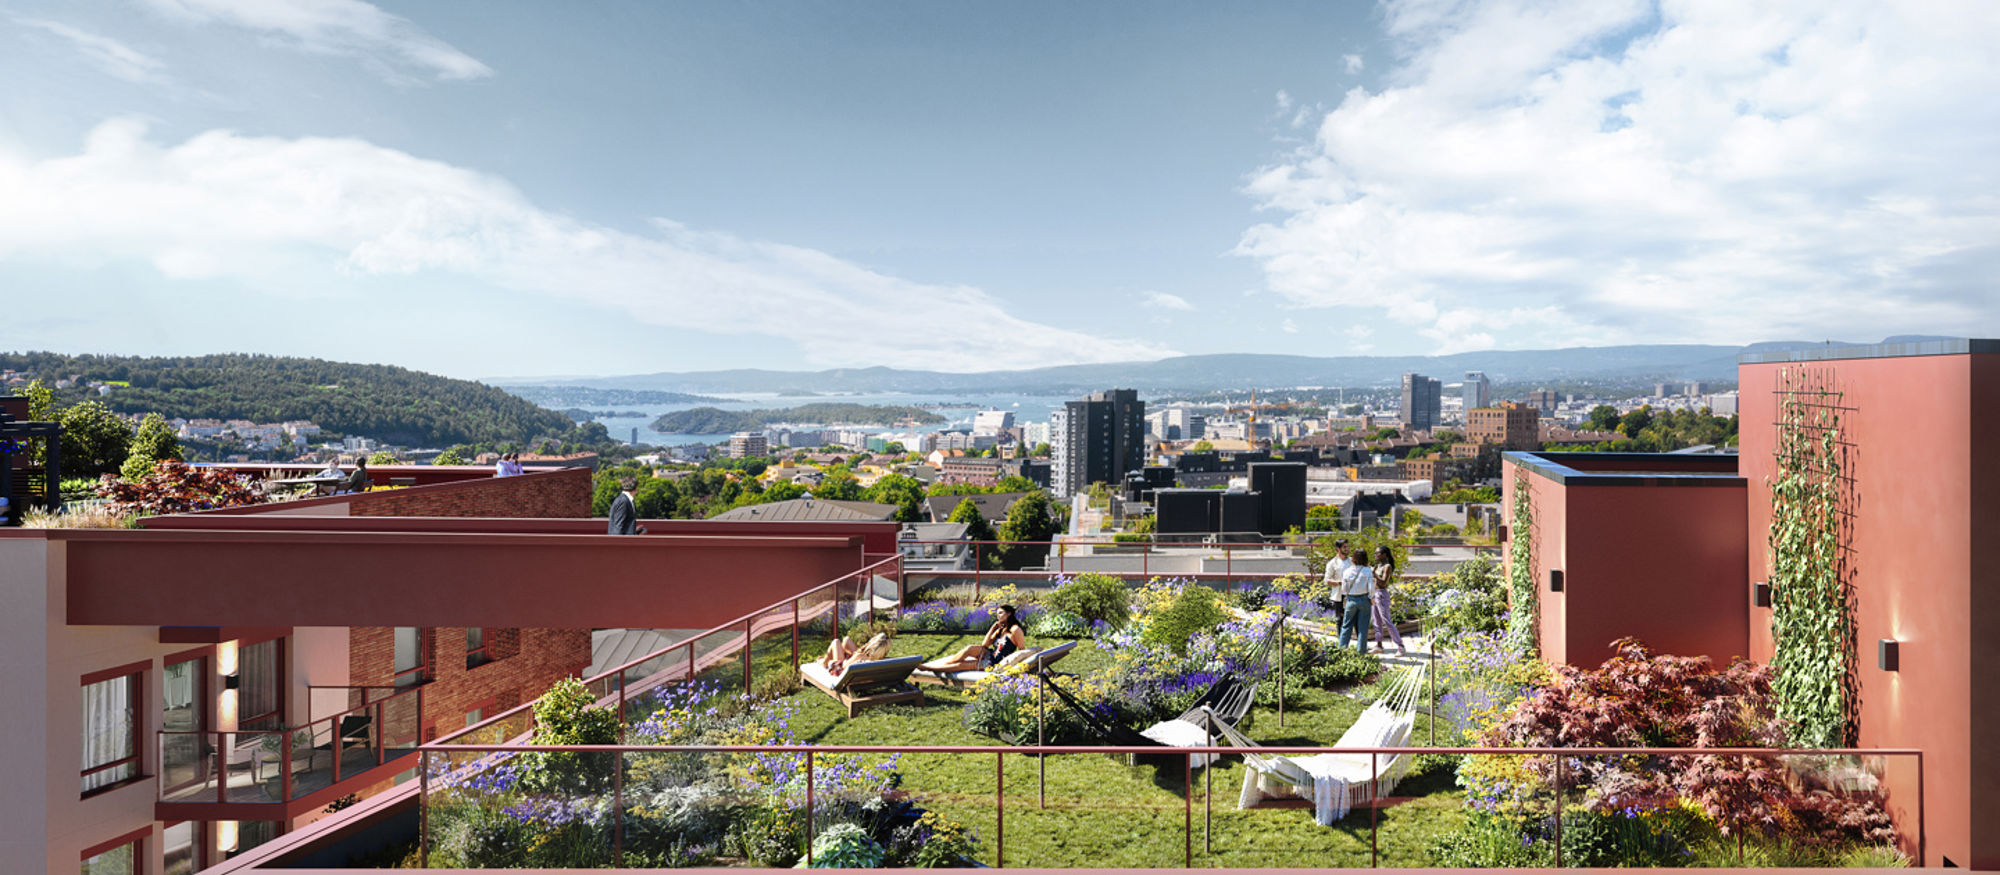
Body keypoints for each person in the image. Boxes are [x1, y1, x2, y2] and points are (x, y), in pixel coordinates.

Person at [920, 605, 1026, 673]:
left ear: (1009, 614)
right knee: (969, 648)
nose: (998, 616)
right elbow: (985, 644)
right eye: (997, 613)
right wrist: (993, 628)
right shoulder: (1001, 629)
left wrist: (1010, 665)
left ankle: (929, 668)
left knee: (960, 665)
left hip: (995, 663)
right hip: (990, 654)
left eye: (1000, 613)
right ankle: (946, 665)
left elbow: (1022, 650)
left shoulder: (1016, 629)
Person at [1369, 545, 1408, 656]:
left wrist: (1374, 574)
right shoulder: (1377, 566)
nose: (1376, 555)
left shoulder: (1387, 567)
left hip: (1382, 594)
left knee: (1386, 620)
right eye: (1375, 553)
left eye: (1378, 553)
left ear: (1385, 555)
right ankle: (1379, 645)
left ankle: (1400, 645)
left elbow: (1383, 583)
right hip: (1374, 594)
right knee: (1376, 621)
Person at [1336, 548, 1375, 654]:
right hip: (1364, 599)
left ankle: (1342, 651)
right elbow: (1371, 588)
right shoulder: (1368, 571)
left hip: (1351, 600)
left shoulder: (1347, 571)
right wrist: (1372, 598)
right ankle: (1361, 652)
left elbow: (1344, 590)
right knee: (1363, 627)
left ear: (1353, 558)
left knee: (1346, 626)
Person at [820, 632, 892, 676]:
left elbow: (843, 666)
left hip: (840, 670)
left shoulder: (859, 656)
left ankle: (823, 662)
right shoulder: (883, 659)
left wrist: (848, 659)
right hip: (862, 671)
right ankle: (828, 659)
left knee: (836, 642)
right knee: (847, 639)